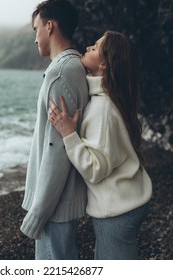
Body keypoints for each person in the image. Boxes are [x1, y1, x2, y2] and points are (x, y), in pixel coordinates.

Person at [48, 31, 153, 259]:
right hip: (128, 200)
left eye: (95, 48)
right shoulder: (107, 98)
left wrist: (68, 134)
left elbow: (94, 169)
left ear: (104, 64)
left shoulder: (103, 109)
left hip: (117, 210)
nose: (87, 47)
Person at [20, 0, 89, 260]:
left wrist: (38, 212)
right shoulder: (72, 67)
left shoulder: (60, 73)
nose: (35, 38)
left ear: (50, 26)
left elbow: (56, 147)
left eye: (35, 29)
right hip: (59, 199)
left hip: (54, 204)